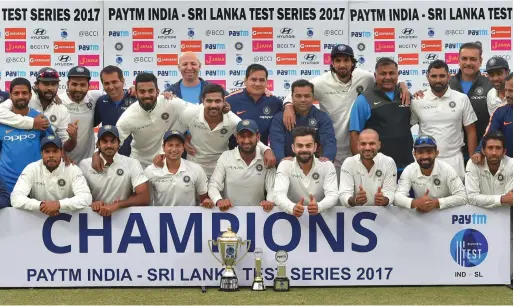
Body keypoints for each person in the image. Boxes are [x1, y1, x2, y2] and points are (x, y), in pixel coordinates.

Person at [282, 44, 410, 176]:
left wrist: (402, 84)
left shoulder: (364, 77)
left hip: (358, 147)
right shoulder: (321, 82)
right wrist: (288, 106)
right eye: (338, 61)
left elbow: (385, 78)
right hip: (332, 149)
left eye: (346, 60)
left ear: (353, 62)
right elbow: (299, 92)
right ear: (332, 63)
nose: (342, 65)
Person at [170, 83, 276, 177]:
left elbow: (248, 137)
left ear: (224, 101)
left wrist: (266, 150)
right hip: (193, 167)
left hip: (221, 169)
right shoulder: (191, 113)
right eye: (209, 101)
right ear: (202, 101)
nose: (213, 105)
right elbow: (173, 133)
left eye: (217, 101)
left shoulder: (233, 120)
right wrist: (183, 139)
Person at [93, 73, 193, 169]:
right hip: (140, 164)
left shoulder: (169, 102)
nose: (146, 95)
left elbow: (195, 112)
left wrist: (188, 134)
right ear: (136, 93)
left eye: (150, 91)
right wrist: (97, 154)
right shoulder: (129, 116)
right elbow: (113, 140)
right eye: (142, 91)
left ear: (157, 92)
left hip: (167, 162)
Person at [411, 60, 477, 181]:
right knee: (427, 198)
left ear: (449, 76)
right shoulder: (417, 100)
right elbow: (405, 127)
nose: (438, 80)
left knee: (457, 199)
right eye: (434, 76)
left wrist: (473, 161)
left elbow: (471, 130)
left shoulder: (461, 98)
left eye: (442, 76)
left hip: (454, 159)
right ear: (427, 77)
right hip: (426, 160)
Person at [349, 58, 413, 174]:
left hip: (407, 167)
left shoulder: (406, 96)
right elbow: (354, 135)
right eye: (383, 74)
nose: (387, 77)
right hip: (377, 169)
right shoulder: (364, 99)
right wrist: (361, 167)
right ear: (375, 75)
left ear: (397, 75)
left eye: (391, 73)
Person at [0, 67, 77, 153]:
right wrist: (32, 123)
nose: (50, 88)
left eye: (53, 84)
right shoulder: (24, 98)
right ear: (36, 85)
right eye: (46, 84)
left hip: (42, 161)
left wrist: (72, 139)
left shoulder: (62, 110)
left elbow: (64, 147)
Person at [10, 135, 92, 214]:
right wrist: (41, 205)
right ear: (41, 153)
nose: (51, 155)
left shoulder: (73, 169)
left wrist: (58, 205)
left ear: (61, 152)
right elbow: (15, 198)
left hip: (69, 224)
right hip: (36, 222)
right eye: (47, 151)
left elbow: (86, 197)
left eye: (55, 151)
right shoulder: (31, 169)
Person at [79, 125, 150, 216]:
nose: (109, 145)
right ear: (98, 145)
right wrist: (92, 203)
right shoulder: (85, 165)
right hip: (94, 218)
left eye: (113, 141)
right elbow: (77, 195)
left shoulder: (132, 163)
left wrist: (117, 205)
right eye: (104, 141)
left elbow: (144, 198)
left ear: (118, 143)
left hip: (124, 218)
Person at [0, 78, 55, 192]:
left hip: (35, 183)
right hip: (6, 184)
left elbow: (53, 146)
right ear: (10, 96)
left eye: (24, 93)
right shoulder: (2, 121)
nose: (20, 96)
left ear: (30, 95)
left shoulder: (41, 119)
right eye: (16, 93)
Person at [208, 119, 275, 212]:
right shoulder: (226, 156)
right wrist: (218, 200)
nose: (246, 141)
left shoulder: (267, 158)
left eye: (250, 136)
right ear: (237, 138)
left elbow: (272, 188)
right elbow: (213, 185)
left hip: (258, 215)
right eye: (242, 136)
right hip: (229, 213)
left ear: (258, 137)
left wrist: (270, 201)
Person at [274, 126, 338, 217]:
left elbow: (333, 195)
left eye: (308, 145)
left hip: (322, 217)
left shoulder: (327, 166)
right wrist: (292, 207)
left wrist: (319, 206)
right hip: (292, 218)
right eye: (300, 145)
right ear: (293, 147)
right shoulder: (285, 165)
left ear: (315, 147)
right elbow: (278, 194)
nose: (304, 149)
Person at [270, 79, 336, 164]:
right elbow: (276, 143)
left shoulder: (322, 117)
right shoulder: (279, 118)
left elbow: (329, 141)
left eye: (307, 96)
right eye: (298, 96)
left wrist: (327, 158)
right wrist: (281, 160)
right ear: (291, 97)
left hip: (314, 167)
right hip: (287, 166)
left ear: (313, 97)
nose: (303, 100)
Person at [394, 136, 467, 211]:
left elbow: (462, 196)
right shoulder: (409, 170)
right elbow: (397, 197)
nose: (425, 156)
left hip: (447, 215)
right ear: (414, 154)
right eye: (420, 152)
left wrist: (436, 203)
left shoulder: (447, 169)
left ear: (436, 153)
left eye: (429, 151)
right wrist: (416, 203)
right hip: (421, 216)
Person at [144, 130, 214, 207]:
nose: (174, 149)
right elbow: (145, 200)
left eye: (178, 145)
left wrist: (207, 201)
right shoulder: (150, 171)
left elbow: (203, 198)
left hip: (189, 218)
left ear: (183, 148)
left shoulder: (196, 169)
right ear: (163, 148)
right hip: (161, 218)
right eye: (170, 145)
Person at [448, 42, 493, 159]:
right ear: (458, 60)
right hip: (451, 154)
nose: (468, 63)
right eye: (464, 58)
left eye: (473, 59)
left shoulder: (490, 85)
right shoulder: (447, 84)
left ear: (480, 61)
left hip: (482, 153)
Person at [225, 64, 283, 147]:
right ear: (245, 80)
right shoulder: (229, 100)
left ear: (266, 82)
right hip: (234, 154)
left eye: (262, 80)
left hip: (264, 155)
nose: (258, 84)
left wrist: (289, 105)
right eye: (253, 79)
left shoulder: (275, 102)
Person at [339, 129, 397, 207]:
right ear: (358, 145)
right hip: (355, 214)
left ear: (379, 145)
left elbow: (390, 192)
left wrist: (384, 200)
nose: (367, 148)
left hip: (383, 213)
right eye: (363, 144)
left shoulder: (388, 162)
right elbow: (344, 194)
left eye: (372, 143)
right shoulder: (349, 163)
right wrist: (355, 200)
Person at [60, 66, 104, 163]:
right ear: (67, 84)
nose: (78, 89)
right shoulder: (58, 102)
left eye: (83, 85)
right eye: (74, 84)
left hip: (89, 162)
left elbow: (115, 93)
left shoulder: (93, 97)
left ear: (89, 85)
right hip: (65, 162)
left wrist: (132, 89)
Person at [94, 65, 138, 156]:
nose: (110, 87)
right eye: (106, 83)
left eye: (114, 82)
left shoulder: (136, 99)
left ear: (122, 81)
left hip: (135, 157)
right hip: (109, 157)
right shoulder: (101, 102)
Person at [472, 72, 513, 162]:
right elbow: (489, 134)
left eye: (511, 91)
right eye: (506, 90)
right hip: (509, 167)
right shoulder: (500, 112)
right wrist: (479, 151)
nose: (507, 95)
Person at [466, 131, 512, 207]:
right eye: (490, 148)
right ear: (483, 151)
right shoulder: (473, 164)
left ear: (504, 152)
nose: (494, 152)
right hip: (479, 216)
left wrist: (482, 200)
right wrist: (501, 199)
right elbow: (471, 198)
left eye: (498, 148)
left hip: (507, 214)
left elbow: (510, 198)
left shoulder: (512, 164)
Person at [163, 52, 228, 104]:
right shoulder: (169, 92)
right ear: (179, 67)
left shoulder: (216, 90)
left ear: (199, 66)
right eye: (185, 64)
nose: (189, 68)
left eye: (193, 64)